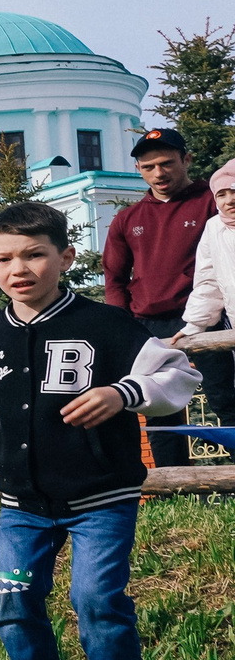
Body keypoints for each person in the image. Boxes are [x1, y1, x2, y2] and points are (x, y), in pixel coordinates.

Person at [0, 201, 197, 660]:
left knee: (96, 599)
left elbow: (178, 372)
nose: (20, 268)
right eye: (5, 258)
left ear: (64, 257)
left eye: (35, 254)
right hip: (22, 504)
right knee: (13, 595)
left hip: (101, 499)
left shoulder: (105, 325)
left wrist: (122, 394)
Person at [107, 130, 222, 468]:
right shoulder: (128, 219)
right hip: (149, 327)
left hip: (207, 321)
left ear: (186, 160)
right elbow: (114, 277)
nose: (159, 173)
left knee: (225, 400)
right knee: (160, 411)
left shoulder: (214, 202)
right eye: (148, 166)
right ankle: (174, 489)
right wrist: (123, 327)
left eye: (167, 163)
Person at [174, 158, 235, 423]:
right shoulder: (214, 228)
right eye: (221, 194)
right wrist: (193, 325)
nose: (229, 200)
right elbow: (208, 282)